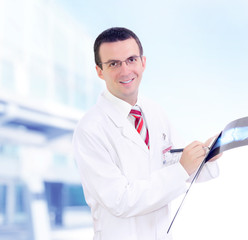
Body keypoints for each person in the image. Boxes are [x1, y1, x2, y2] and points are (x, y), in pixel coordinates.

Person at [72, 27, 220, 240]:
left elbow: (176, 164)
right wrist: (180, 169)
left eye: (131, 59)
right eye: (114, 64)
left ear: (143, 62)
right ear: (99, 71)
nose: (125, 71)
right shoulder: (90, 130)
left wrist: (204, 157)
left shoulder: (154, 111)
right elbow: (120, 200)